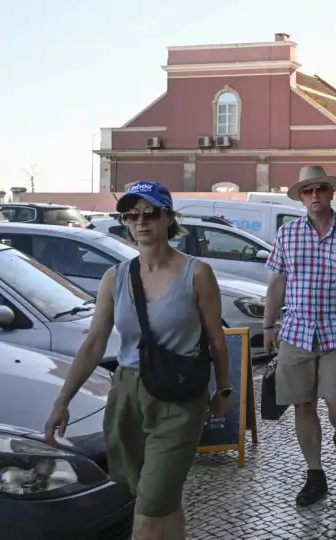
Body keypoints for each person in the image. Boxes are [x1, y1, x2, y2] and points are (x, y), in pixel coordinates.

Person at [43, 181, 233, 540]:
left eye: (150, 213)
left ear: (168, 219)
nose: (140, 221)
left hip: (178, 400)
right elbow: (94, 343)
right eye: (131, 215)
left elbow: (216, 338)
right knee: (159, 500)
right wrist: (62, 400)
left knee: (148, 513)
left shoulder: (198, 273)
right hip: (127, 396)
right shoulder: (115, 277)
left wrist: (223, 388)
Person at [261, 165, 336, 507]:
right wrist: (269, 327)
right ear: (301, 197)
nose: (315, 196)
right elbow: (277, 283)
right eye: (308, 191)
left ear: (331, 193)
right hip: (296, 332)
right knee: (303, 404)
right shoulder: (288, 234)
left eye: (321, 189)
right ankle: (315, 474)